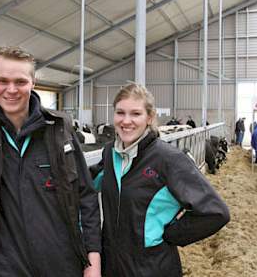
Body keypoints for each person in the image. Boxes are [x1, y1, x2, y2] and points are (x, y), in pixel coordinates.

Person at [0, 46, 101, 276]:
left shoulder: (59, 130)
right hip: (2, 269)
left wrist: (93, 261)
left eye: (20, 81)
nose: (11, 90)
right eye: (2, 80)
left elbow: (86, 197)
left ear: (33, 81)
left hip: (61, 265)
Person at [90, 83, 230, 277]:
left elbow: (216, 213)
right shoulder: (110, 153)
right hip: (112, 265)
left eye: (136, 114)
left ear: (150, 117)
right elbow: (88, 181)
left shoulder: (168, 159)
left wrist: (169, 235)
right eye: (120, 112)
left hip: (151, 267)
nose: (126, 121)